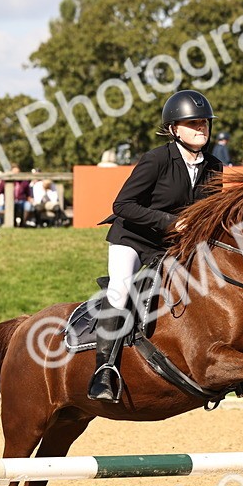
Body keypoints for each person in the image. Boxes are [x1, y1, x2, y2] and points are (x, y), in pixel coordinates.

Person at [89, 89, 223, 402]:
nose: (200, 127)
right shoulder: (156, 159)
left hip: (171, 245)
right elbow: (123, 205)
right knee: (121, 289)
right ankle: (104, 370)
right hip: (133, 239)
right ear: (174, 129)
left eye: (204, 122)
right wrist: (169, 222)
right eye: (192, 123)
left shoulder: (214, 166)